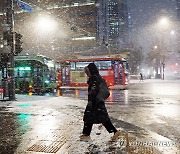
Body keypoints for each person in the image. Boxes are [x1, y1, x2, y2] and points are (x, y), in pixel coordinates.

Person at [80, 63, 122, 141]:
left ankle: (86, 135)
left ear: (90, 71)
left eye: (87, 72)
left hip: (95, 102)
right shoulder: (98, 77)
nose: (87, 74)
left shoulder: (94, 78)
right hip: (98, 101)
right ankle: (115, 132)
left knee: (89, 117)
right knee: (102, 118)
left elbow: (93, 91)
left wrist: (91, 101)